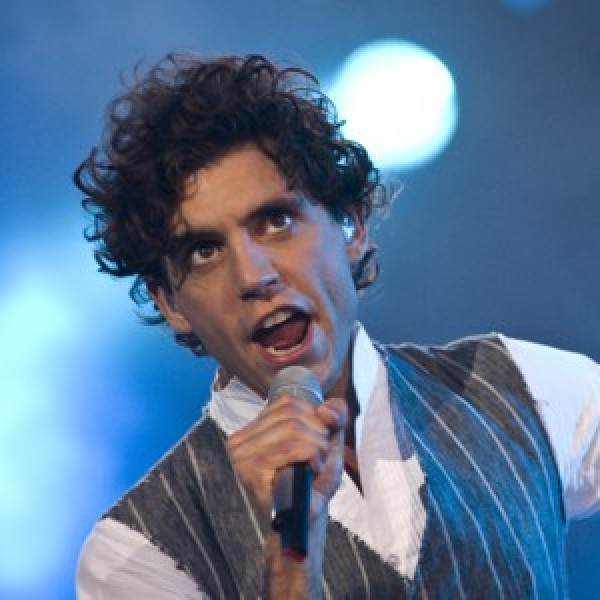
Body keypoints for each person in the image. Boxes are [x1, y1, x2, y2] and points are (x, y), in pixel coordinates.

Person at [74, 53, 600, 599]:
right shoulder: (140, 553)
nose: (253, 275)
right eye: (204, 251)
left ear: (351, 225)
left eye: (276, 221)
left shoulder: (522, 388)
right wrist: (287, 564)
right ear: (169, 302)